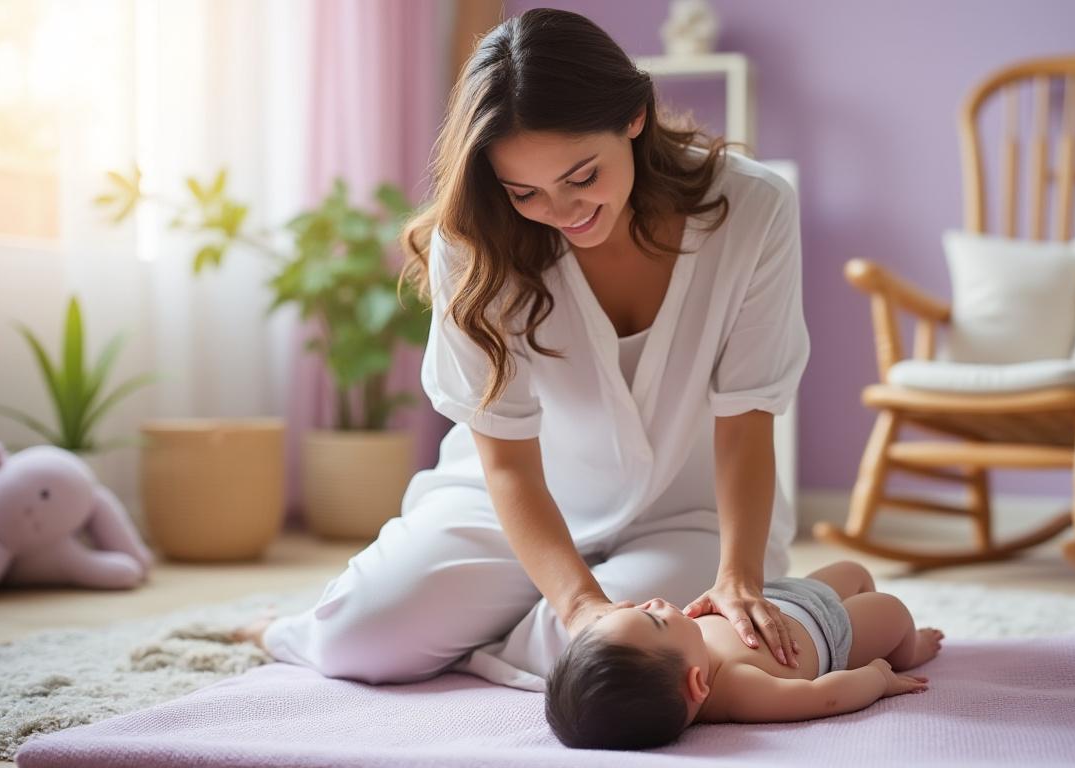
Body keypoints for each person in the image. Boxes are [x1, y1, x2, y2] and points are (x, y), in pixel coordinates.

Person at [252, 7, 811, 687]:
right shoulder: (476, 238)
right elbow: (510, 465)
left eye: (582, 176)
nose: (565, 210)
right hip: (512, 500)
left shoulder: (754, 209)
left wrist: (738, 579)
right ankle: (470, 631)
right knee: (358, 642)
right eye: (527, 192)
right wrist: (578, 608)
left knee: (656, 662)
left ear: (633, 118)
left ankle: (470, 639)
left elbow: (749, 419)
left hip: (688, 514)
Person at [545, 560, 942, 750]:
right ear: (697, 682)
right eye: (656, 621)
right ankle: (910, 649)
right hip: (834, 631)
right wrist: (877, 679)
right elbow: (825, 696)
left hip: (776, 598)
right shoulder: (738, 687)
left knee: (852, 570)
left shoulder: (681, 652)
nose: (655, 603)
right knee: (889, 609)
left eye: (635, 609)